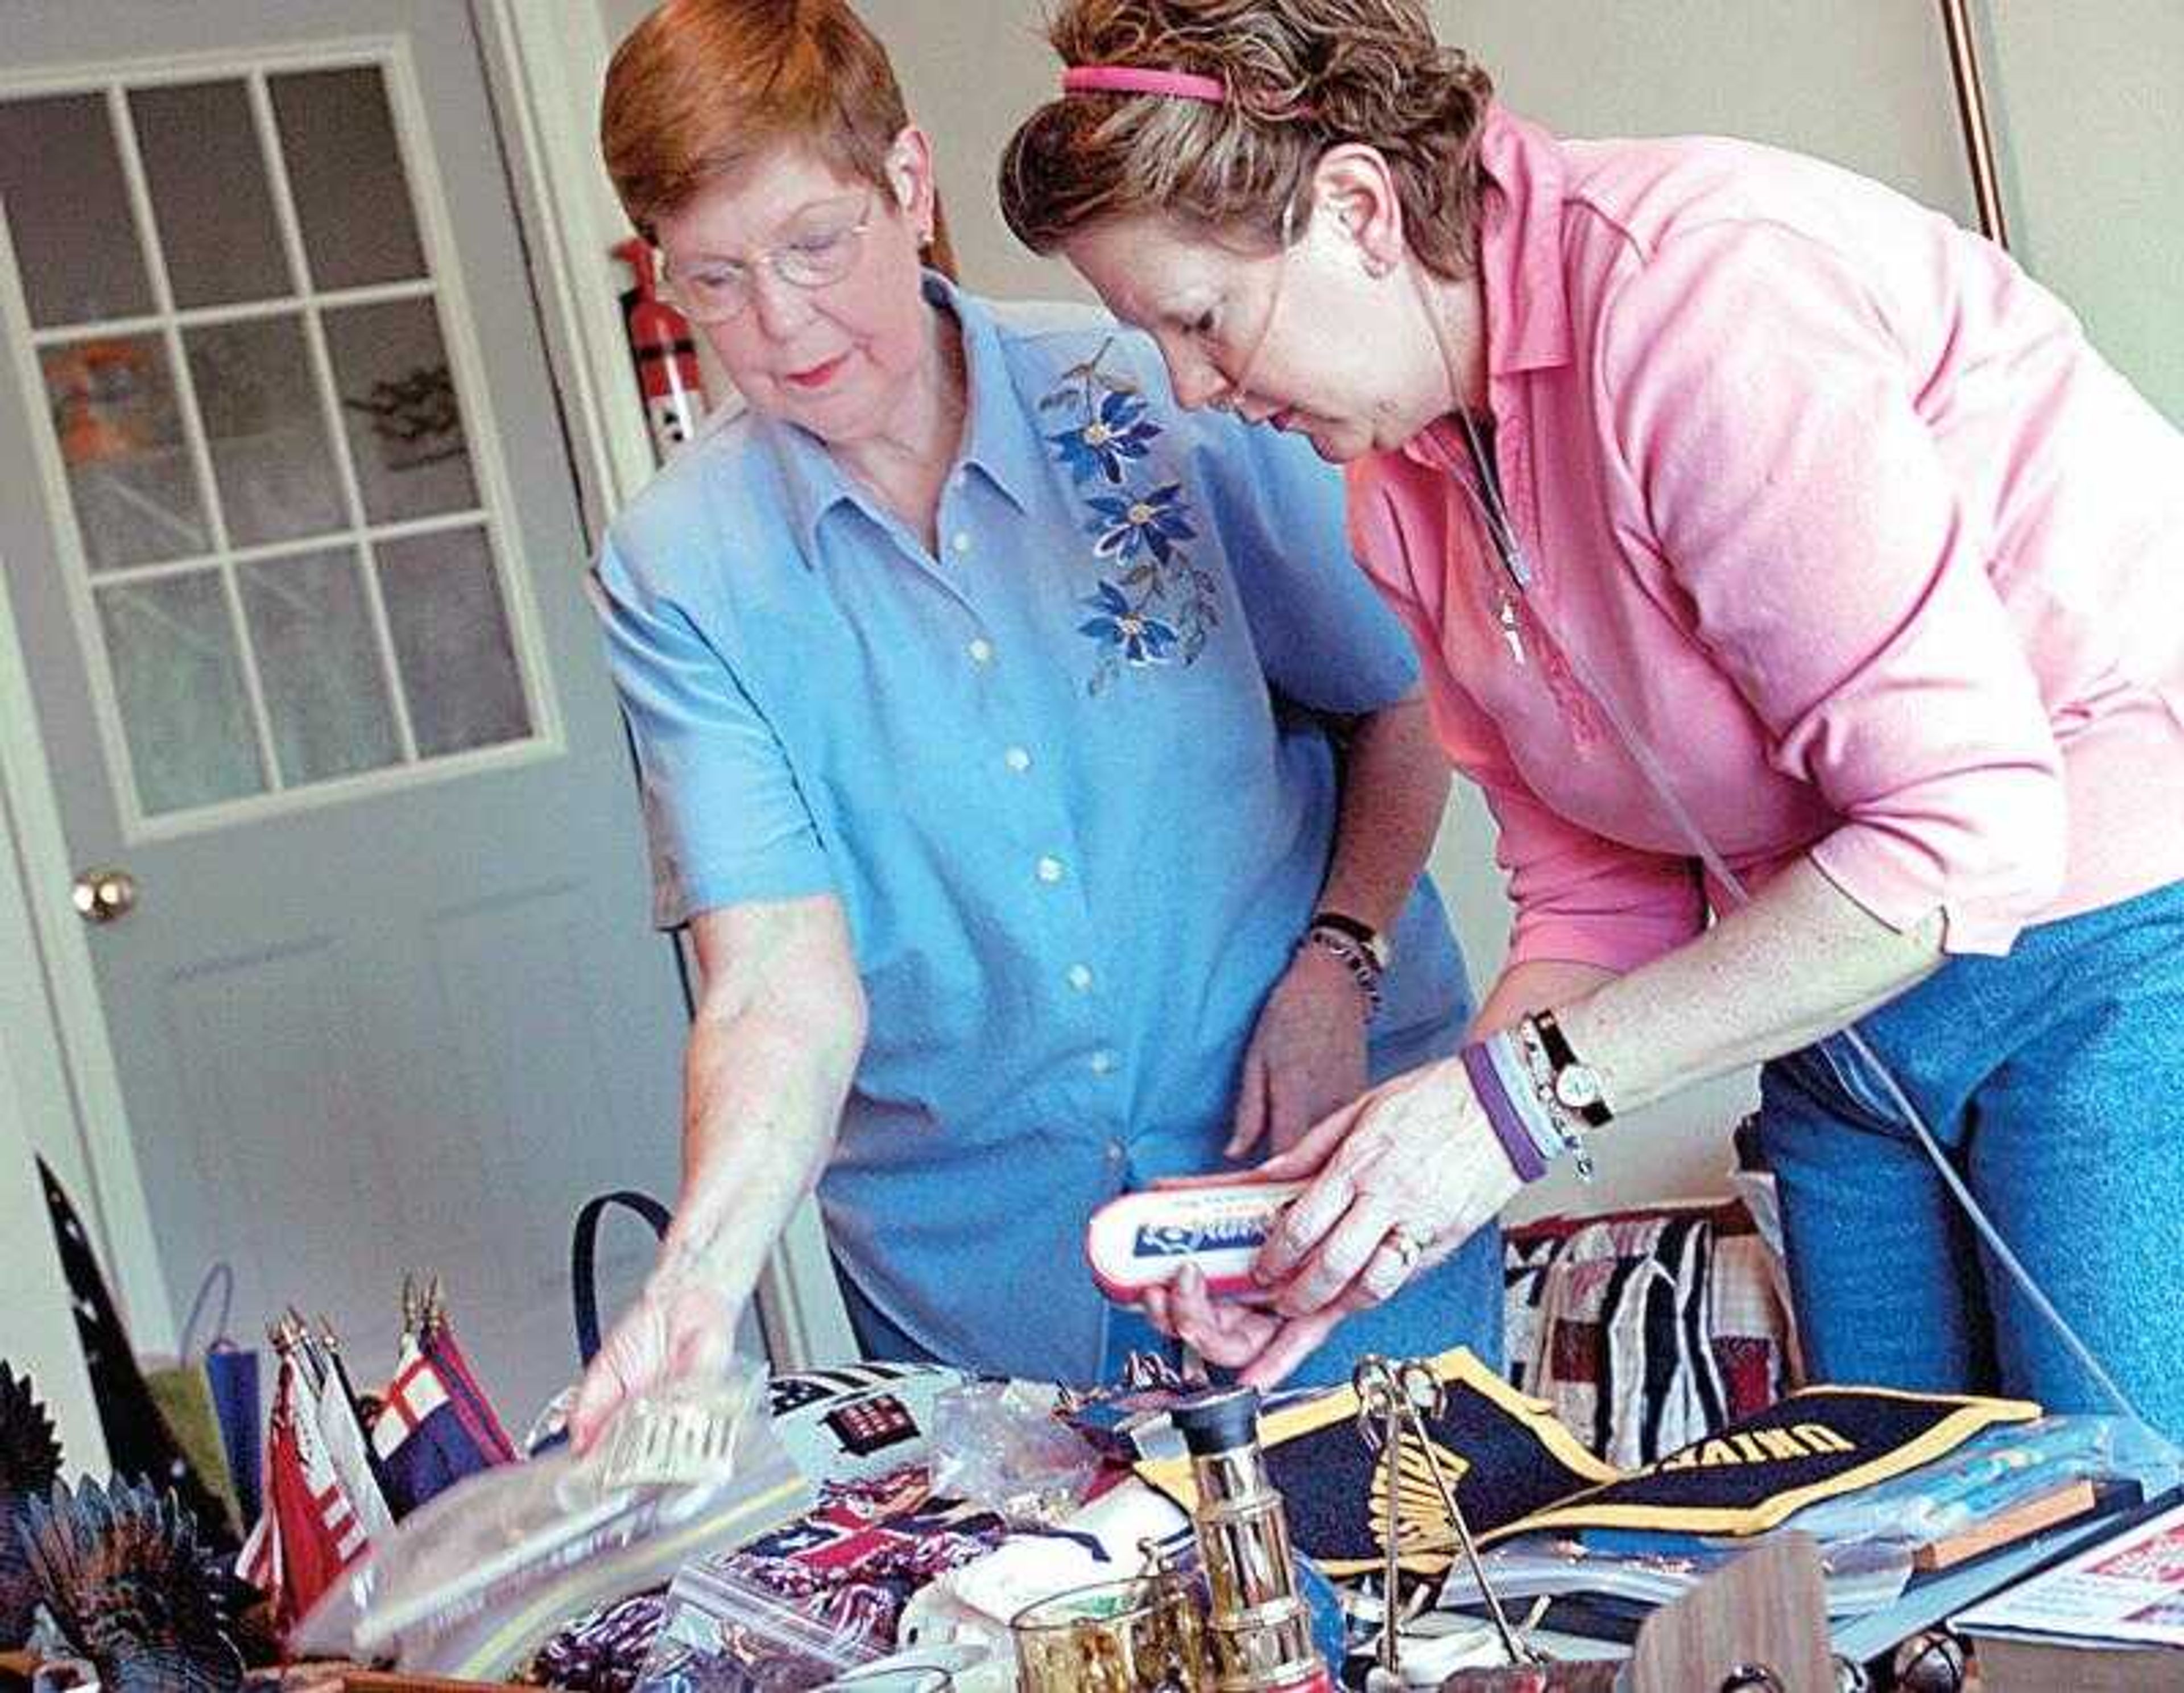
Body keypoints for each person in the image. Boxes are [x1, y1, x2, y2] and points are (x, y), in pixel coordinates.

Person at [998, 0, 2184, 1435]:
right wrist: (1385, 1201)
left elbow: (1960, 838)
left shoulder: (1700, 298)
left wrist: (1508, 1112)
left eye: (1202, 320)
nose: (1195, 388)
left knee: (2118, 1592)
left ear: (1360, 210)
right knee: (1904, 1563)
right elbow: (1599, 897)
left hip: (2114, 957)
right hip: (1843, 1014)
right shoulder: (1408, 482)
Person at [568, 0, 1500, 1447]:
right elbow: (772, 980)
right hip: (980, 1285)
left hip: (1318, 1181)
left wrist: (1345, 954)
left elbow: (1402, 697)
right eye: (718, 281)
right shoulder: (682, 570)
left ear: (908, 181)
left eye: (816, 246)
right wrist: (699, 1278)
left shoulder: (1164, 384)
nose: (784, 320)